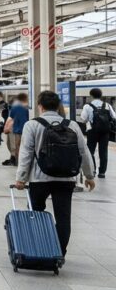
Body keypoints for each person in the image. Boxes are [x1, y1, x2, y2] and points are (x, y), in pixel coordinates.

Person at [15, 90, 95, 257]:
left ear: (40, 106)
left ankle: (36, 249)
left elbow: (26, 153)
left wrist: (21, 178)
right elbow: (83, 151)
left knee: (35, 214)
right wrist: (89, 176)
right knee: (63, 217)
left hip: (39, 178)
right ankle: (59, 253)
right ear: (58, 106)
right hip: (66, 178)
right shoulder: (72, 125)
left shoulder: (32, 125)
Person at [81, 88, 115, 179]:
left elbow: (83, 119)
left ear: (91, 96)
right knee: (103, 152)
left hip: (92, 131)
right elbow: (114, 116)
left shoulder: (87, 106)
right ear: (101, 95)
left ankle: (93, 170)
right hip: (105, 132)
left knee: (90, 151)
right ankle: (102, 173)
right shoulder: (107, 105)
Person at [2, 93, 29, 166]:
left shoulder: (14, 108)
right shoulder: (26, 108)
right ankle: (20, 161)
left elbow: (9, 119)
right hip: (25, 130)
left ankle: (16, 161)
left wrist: (6, 127)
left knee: (16, 146)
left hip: (16, 129)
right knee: (23, 146)